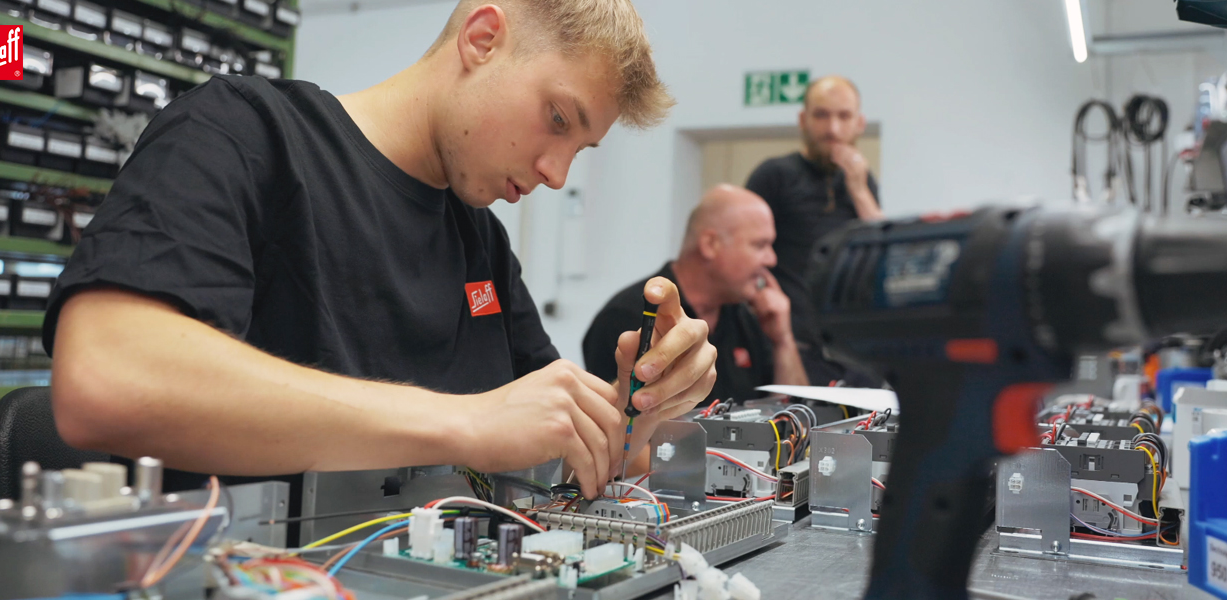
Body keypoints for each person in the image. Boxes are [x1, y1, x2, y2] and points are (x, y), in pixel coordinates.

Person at [44, 0, 717, 503]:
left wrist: (636, 417)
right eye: (558, 120)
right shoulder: (243, 134)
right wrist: (464, 421)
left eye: (580, 149)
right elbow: (107, 380)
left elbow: (563, 446)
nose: (557, 173)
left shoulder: (477, 238)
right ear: (483, 40)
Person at [583, 185, 807, 406]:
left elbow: (795, 415)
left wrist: (783, 341)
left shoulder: (747, 316)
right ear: (710, 244)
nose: (771, 260)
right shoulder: (628, 316)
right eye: (760, 245)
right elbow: (613, 424)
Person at [745, 75, 884, 385]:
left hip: (855, 351)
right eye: (821, 115)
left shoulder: (863, 182)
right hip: (795, 348)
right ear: (803, 119)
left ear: (859, 123)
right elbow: (744, 252)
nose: (833, 129)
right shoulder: (775, 175)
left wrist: (859, 188)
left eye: (843, 116)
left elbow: (882, 253)